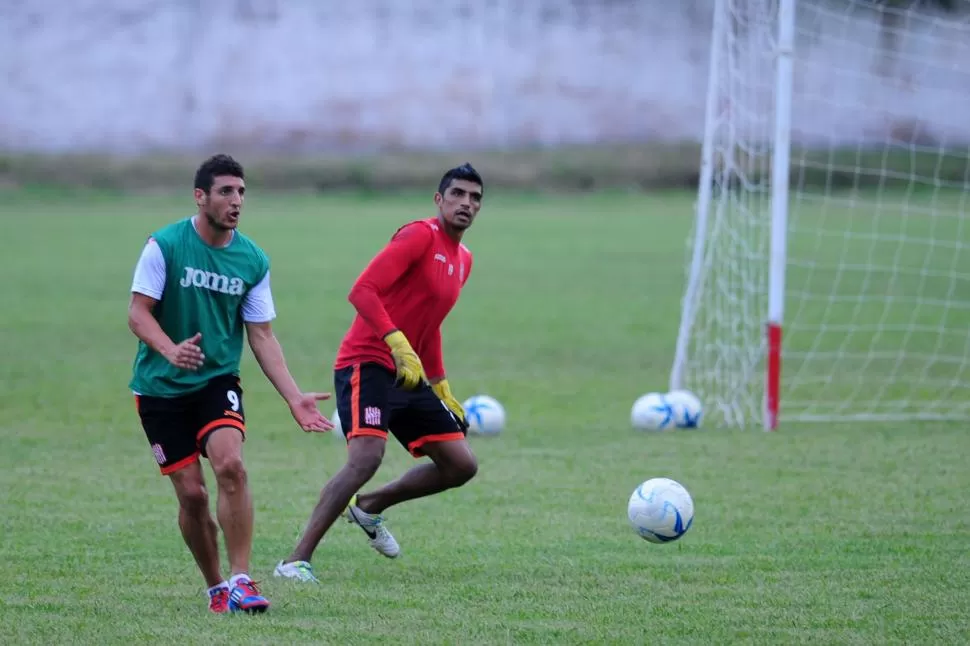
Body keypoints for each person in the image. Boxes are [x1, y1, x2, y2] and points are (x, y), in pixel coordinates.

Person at [127, 153, 334, 614]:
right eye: (225, 191)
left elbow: (261, 336)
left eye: (241, 192)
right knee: (193, 496)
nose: (236, 200)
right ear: (200, 197)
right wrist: (170, 350)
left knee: (230, 467)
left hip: (216, 380)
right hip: (159, 388)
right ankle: (216, 585)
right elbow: (138, 314)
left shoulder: (252, 259)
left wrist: (294, 397)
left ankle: (242, 579)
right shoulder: (164, 246)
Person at [274, 163, 484, 583]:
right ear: (439, 200)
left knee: (461, 464)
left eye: (475, 198)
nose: (466, 203)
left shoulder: (463, 260)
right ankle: (294, 562)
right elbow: (362, 291)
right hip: (366, 362)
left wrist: (441, 385)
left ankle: (369, 506)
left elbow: (430, 322)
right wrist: (396, 341)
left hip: (407, 372)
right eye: (457, 194)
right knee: (365, 459)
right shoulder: (419, 236)